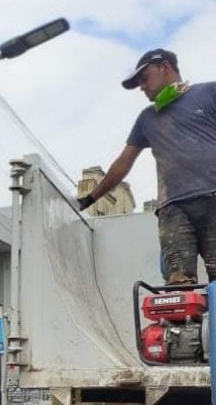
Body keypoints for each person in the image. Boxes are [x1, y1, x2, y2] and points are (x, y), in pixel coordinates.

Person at [77, 48, 216, 285]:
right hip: (174, 209)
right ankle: (182, 322)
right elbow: (123, 163)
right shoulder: (147, 118)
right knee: (179, 283)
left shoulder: (208, 93)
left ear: (165, 67)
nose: (142, 87)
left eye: (144, 78)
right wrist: (89, 199)